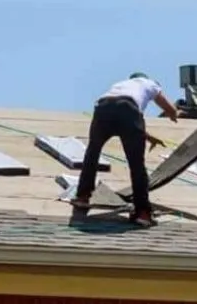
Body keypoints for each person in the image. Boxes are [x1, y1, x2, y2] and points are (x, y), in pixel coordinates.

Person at [73, 72, 179, 226]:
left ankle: (82, 196)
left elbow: (120, 117)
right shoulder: (150, 83)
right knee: (136, 164)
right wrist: (175, 113)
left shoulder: (120, 85)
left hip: (103, 107)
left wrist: (147, 136)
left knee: (92, 153)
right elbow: (167, 108)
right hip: (128, 109)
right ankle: (142, 213)